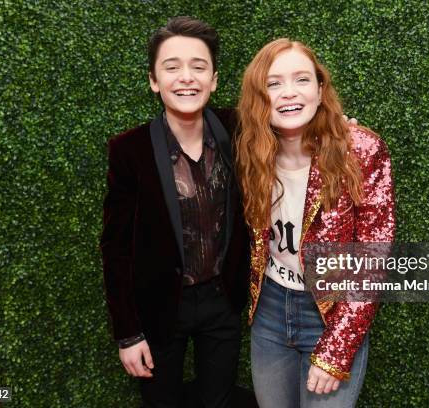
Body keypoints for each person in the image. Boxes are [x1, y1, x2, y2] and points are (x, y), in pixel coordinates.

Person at [235, 38, 395, 407]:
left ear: (321, 90)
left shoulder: (361, 150)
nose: (289, 93)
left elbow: (371, 261)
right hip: (270, 313)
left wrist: (337, 350)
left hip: (331, 314)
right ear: (259, 97)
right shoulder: (251, 149)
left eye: (302, 80)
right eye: (273, 84)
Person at [99, 16, 250, 408]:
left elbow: (294, 124)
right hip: (161, 307)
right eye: (172, 67)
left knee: (218, 401)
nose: (187, 77)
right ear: (153, 80)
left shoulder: (237, 129)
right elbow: (115, 248)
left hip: (222, 302)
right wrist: (128, 334)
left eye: (198, 67)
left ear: (214, 79)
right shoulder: (129, 150)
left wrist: (342, 127)